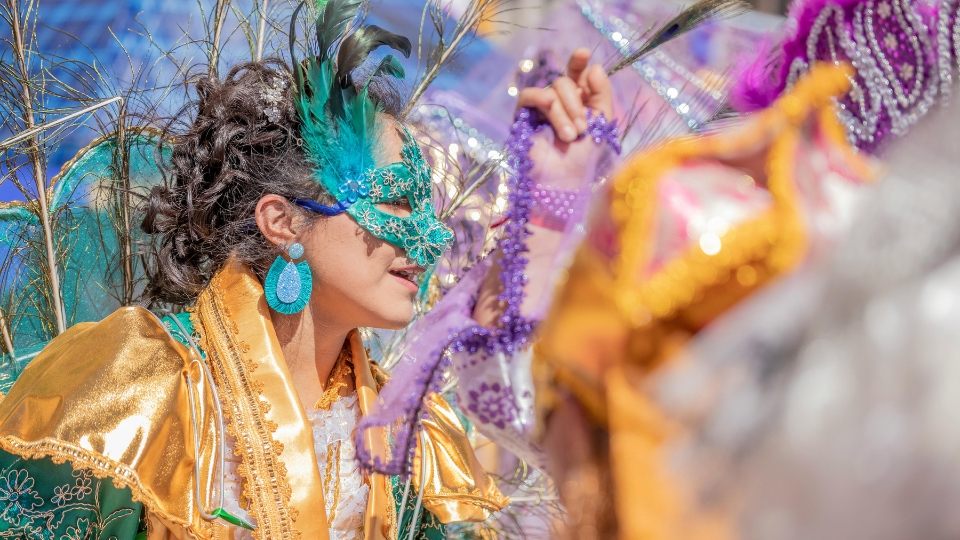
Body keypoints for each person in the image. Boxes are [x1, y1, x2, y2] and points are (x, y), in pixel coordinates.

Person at [0, 3, 505, 539]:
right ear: (282, 222)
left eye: (427, 208)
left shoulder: (412, 442)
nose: (432, 236)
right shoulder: (143, 392)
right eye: (397, 202)